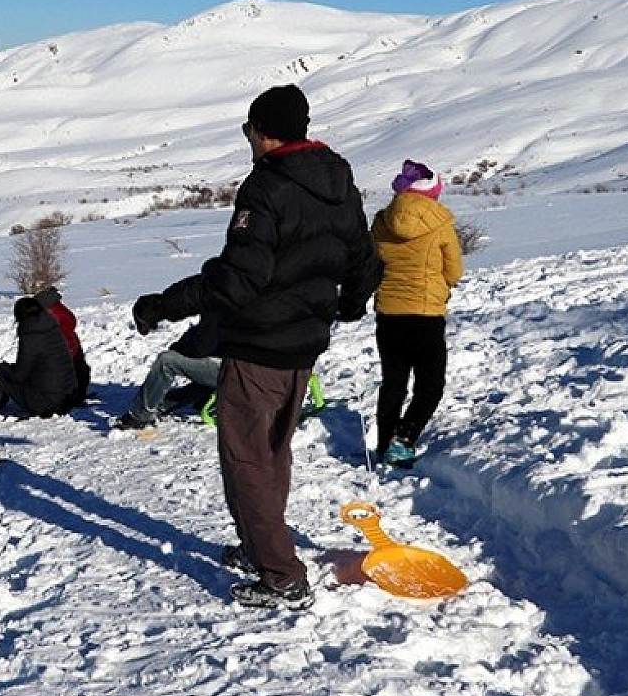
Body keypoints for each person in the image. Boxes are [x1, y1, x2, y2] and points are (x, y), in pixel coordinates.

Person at [132, 85, 381, 610]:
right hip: (303, 345)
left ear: (263, 132)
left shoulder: (266, 187)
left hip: (259, 346)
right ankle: (258, 545)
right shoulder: (337, 177)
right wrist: (349, 306)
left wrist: (166, 303)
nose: (247, 140)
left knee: (246, 459)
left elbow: (240, 279)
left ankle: (282, 575)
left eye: (248, 130)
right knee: (271, 452)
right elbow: (364, 257)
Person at [371, 159, 464, 468]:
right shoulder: (440, 223)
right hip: (426, 314)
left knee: (393, 382)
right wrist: (442, 284)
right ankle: (405, 438)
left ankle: (384, 443)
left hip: (389, 314)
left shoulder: (382, 221)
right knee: (430, 384)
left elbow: (371, 264)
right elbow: (454, 270)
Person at [0, 297, 77, 427]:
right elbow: (35, 365)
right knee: (8, 376)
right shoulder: (50, 326)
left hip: (49, 404)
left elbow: (19, 375)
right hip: (67, 398)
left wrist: (0, 367)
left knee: (3, 381)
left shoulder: (31, 333)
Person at [115, 317, 221, 430]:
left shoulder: (228, 307)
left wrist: (180, 349)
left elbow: (204, 337)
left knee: (166, 361)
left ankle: (140, 416)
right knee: (200, 378)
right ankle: (161, 404)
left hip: (232, 372)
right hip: (234, 372)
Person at [36, 285, 89, 409]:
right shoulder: (56, 310)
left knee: (78, 371)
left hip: (68, 346)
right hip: (70, 346)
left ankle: (76, 395)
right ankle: (76, 397)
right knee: (79, 371)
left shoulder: (52, 312)